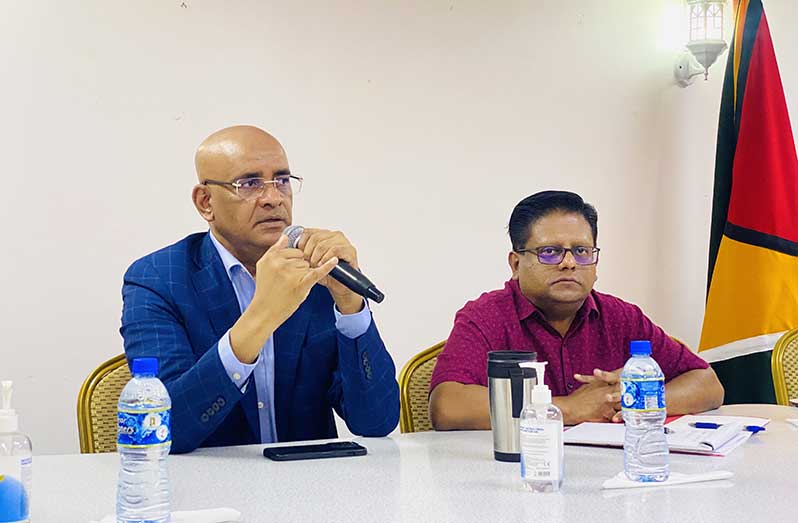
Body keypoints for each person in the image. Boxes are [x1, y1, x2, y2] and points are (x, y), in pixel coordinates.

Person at [121, 125, 399, 453]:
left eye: (282, 181)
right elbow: (168, 430)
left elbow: (376, 422)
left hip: (311, 489)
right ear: (205, 202)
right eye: (250, 184)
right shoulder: (157, 279)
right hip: (209, 493)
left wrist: (351, 307)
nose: (273, 198)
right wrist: (263, 315)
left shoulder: (317, 271)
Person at [429, 190, 724, 429]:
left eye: (581, 251)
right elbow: (446, 406)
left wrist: (630, 398)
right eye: (550, 251)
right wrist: (568, 408)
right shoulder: (486, 318)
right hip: (520, 478)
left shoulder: (621, 317)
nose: (569, 262)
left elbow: (708, 385)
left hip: (608, 480)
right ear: (516, 264)